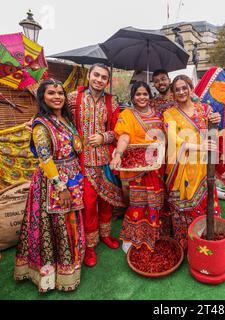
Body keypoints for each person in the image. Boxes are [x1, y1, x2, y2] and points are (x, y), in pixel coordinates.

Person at [14, 79, 85, 292]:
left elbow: (76, 146)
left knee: (70, 222)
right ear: (42, 97)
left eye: (60, 93)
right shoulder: (41, 124)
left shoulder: (66, 120)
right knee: (56, 226)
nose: (57, 97)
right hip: (52, 184)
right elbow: (45, 159)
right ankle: (54, 274)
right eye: (51, 93)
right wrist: (60, 186)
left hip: (72, 177)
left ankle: (71, 265)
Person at [68, 63, 125, 267]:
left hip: (105, 160)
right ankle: (90, 245)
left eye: (103, 77)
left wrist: (103, 137)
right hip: (82, 161)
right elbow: (59, 118)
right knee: (88, 203)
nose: (99, 80)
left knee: (107, 200)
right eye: (96, 75)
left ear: (108, 81)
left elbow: (118, 129)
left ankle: (106, 235)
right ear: (89, 75)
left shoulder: (112, 102)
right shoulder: (74, 98)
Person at [163, 75, 221, 249]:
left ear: (190, 88)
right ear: (173, 93)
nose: (181, 92)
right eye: (177, 89)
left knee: (206, 203)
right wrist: (201, 146)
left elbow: (214, 136)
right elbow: (174, 142)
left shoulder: (205, 110)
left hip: (203, 168)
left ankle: (206, 243)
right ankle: (185, 245)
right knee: (181, 208)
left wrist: (216, 124)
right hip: (180, 167)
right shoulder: (169, 114)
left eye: (184, 88)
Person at [110, 82, 165, 253]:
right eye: (138, 94)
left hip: (158, 166)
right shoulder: (127, 114)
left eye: (145, 94)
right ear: (133, 97)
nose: (142, 97)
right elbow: (125, 136)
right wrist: (118, 153)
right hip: (138, 167)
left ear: (150, 96)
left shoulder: (159, 114)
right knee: (138, 202)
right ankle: (133, 237)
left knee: (156, 202)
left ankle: (154, 235)